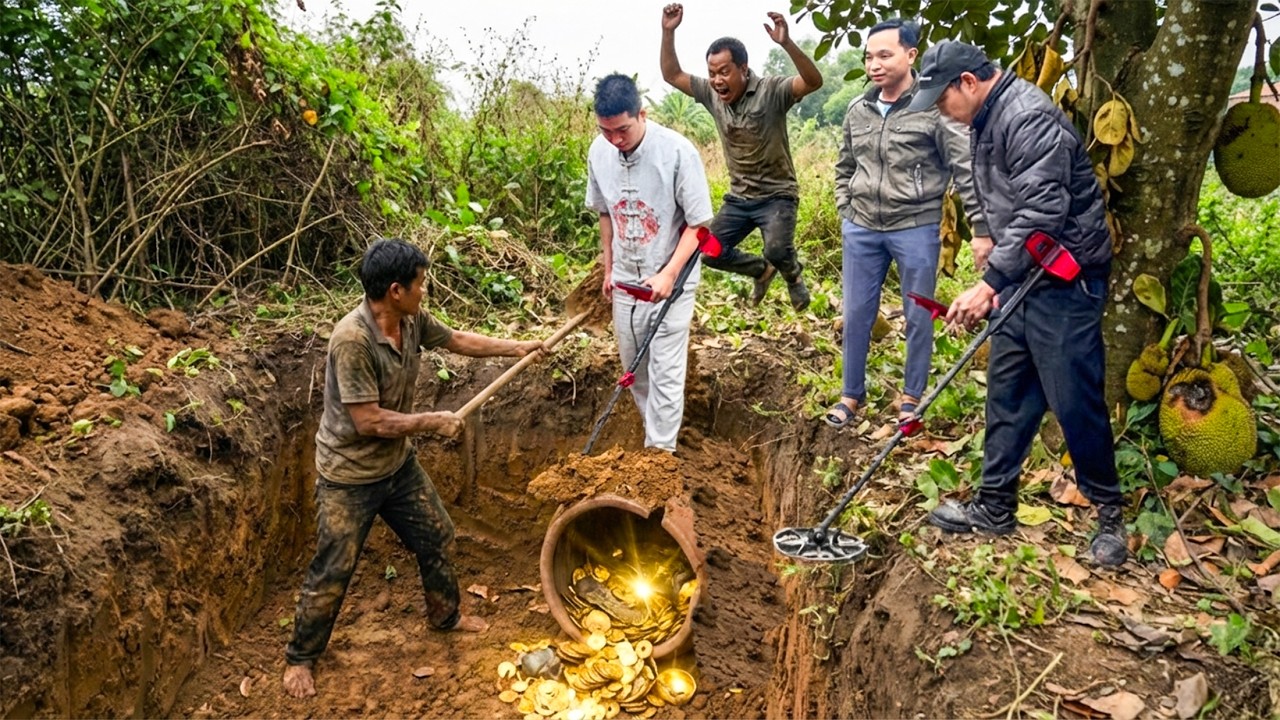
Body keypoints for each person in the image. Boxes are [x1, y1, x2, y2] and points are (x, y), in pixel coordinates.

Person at [283, 238, 544, 698]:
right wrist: (431, 422)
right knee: (334, 566)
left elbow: (458, 340)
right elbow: (368, 420)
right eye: (422, 284)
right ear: (396, 290)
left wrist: (518, 347)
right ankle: (301, 656)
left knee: (437, 534)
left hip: (396, 466)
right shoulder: (353, 341)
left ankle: (446, 616)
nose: (427, 290)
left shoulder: (411, 319)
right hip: (349, 475)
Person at [908, 41, 1127, 565]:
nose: (942, 112)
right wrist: (990, 245)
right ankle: (994, 505)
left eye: (941, 101)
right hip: (1024, 275)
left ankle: (1110, 516)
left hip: (1063, 279)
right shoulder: (987, 116)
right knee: (1007, 393)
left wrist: (988, 285)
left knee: (1074, 401)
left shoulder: (1027, 117)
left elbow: (1043, 211)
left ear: (967, 81)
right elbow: (1003, 196)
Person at [826, 18, 989, 429]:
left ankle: (910, 398)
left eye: (885, 55)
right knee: (858, 312)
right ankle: (850, 395)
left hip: (915, 226)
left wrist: (982, 229)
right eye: (869, 57)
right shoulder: (857, 109)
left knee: (918, 315)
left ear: (910, 55)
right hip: (862, 226)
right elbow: (845, 165)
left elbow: (963, 168)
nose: (874, 65)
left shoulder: (932, 108)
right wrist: (846, 206)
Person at [660, 3, 821, 311]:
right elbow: (672, 74)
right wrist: (668, 32)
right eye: (712, 73)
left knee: (776, 248)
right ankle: (761, 271)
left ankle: (792, 275)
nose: (717, 80)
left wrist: (786, 43)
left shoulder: (772, 91)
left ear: (743, 69)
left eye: (724, 72)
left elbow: (813, 82)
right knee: (708, 251)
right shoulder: (710, 94)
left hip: (777, 197)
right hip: (739, 199)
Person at [585, 73, 714, 452]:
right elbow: (605, 213)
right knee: (635, 370)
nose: (615, 140)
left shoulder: (677, 152)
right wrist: (608, 270)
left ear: (641, 114)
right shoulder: (598, 151)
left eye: (622, 130)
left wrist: (669, 274)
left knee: (666, 371)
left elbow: (698, 226)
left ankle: (660, 456)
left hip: (670, 281)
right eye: (606, 132)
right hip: (626, 281)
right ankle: (651, 437)